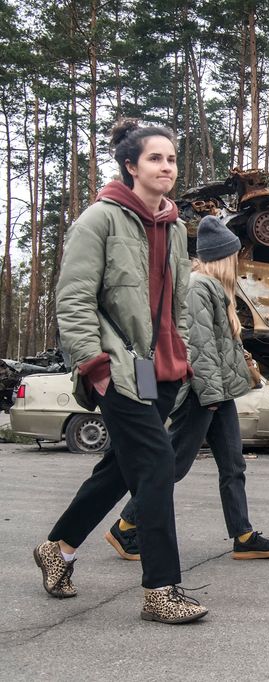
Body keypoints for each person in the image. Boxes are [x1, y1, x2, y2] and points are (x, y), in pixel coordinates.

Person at [33, 119, 208, 624]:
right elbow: (73, 299)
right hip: (119, 369)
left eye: (172, 159)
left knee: (121, 470)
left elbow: (179, 301)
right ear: (131, 166)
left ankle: (58, 548)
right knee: (156, 467)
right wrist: (95, 364)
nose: (167, 167)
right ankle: (161, 589)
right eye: (155, 158)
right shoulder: (99, 220)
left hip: (164, 371)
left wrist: (185, 353)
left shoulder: (175, 226)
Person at [105, 215, 269, 563]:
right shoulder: (198, 287)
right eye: (234, 256)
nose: (239, 262)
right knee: (173, 466)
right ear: (222, 258)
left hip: (219, 395)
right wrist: (213, 397)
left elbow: (219, 349)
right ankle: (127, 527)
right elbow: (199, 349)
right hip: (201, 396)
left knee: (233, 465)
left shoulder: (216, 291)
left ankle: (243, 534)